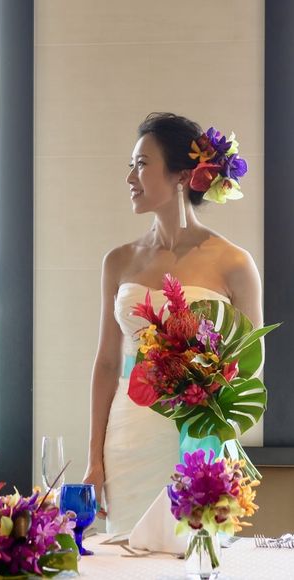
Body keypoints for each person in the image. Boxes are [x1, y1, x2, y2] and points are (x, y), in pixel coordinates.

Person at [82, 112, 263, 534]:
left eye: (142, 164)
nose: (130, 177)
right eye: (131, 165)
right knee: (126, 550)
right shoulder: (118, 261)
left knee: (195, 552)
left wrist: (205, 397)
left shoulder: (235, 263)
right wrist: (95, 460)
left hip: (202, 438)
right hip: (128, 436)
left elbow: (249, 371)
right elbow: (107, 364)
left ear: (182, 176)